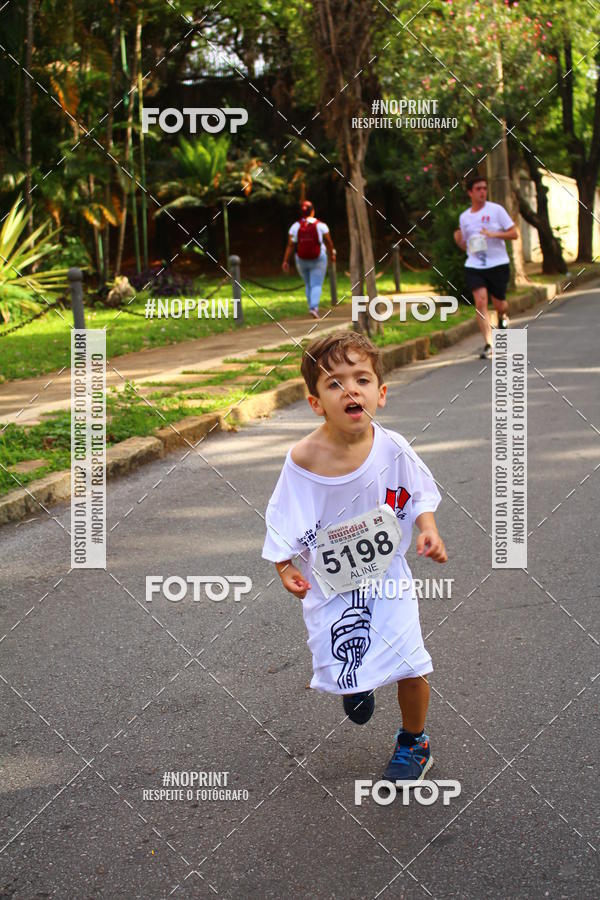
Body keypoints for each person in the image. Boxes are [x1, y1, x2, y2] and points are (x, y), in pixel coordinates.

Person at [262, 331, 448, 785]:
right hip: (332, 581)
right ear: (315, 402)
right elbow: (282, 517)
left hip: (388, 576)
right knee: (345, 659)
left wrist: (428, 529)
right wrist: (285, 567)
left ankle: (414, 742)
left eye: (362, 379)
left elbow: (420, 493)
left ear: (379, 394)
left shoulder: (393, 447)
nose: (351, 390)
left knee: (411, 659)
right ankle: (357, 678)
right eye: (334, 383)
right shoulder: (304, 458)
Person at [454, 174, 518, 359]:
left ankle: (503, 316)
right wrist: (458, 240)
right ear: (470, 193)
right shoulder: (465, 217)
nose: (482, 192)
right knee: (480, 301)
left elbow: (514, 234)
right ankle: (489, 343)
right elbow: (466, 245)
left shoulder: (496, 210)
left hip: (498, 263)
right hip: (474, 265)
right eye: (478, 189)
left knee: (499, 303)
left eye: (484, 188)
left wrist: (493, 234)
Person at [282, 200, 337, 319]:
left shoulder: (295, 226)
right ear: (313, 211)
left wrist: (285, 260)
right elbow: (328, 241)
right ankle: (314, 307)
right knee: (316, 283)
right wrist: (332, 253)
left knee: (308, 284)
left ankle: (311, 306)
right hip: (319, 258)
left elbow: (291, 245)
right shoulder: (321, 225)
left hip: (301, 259)